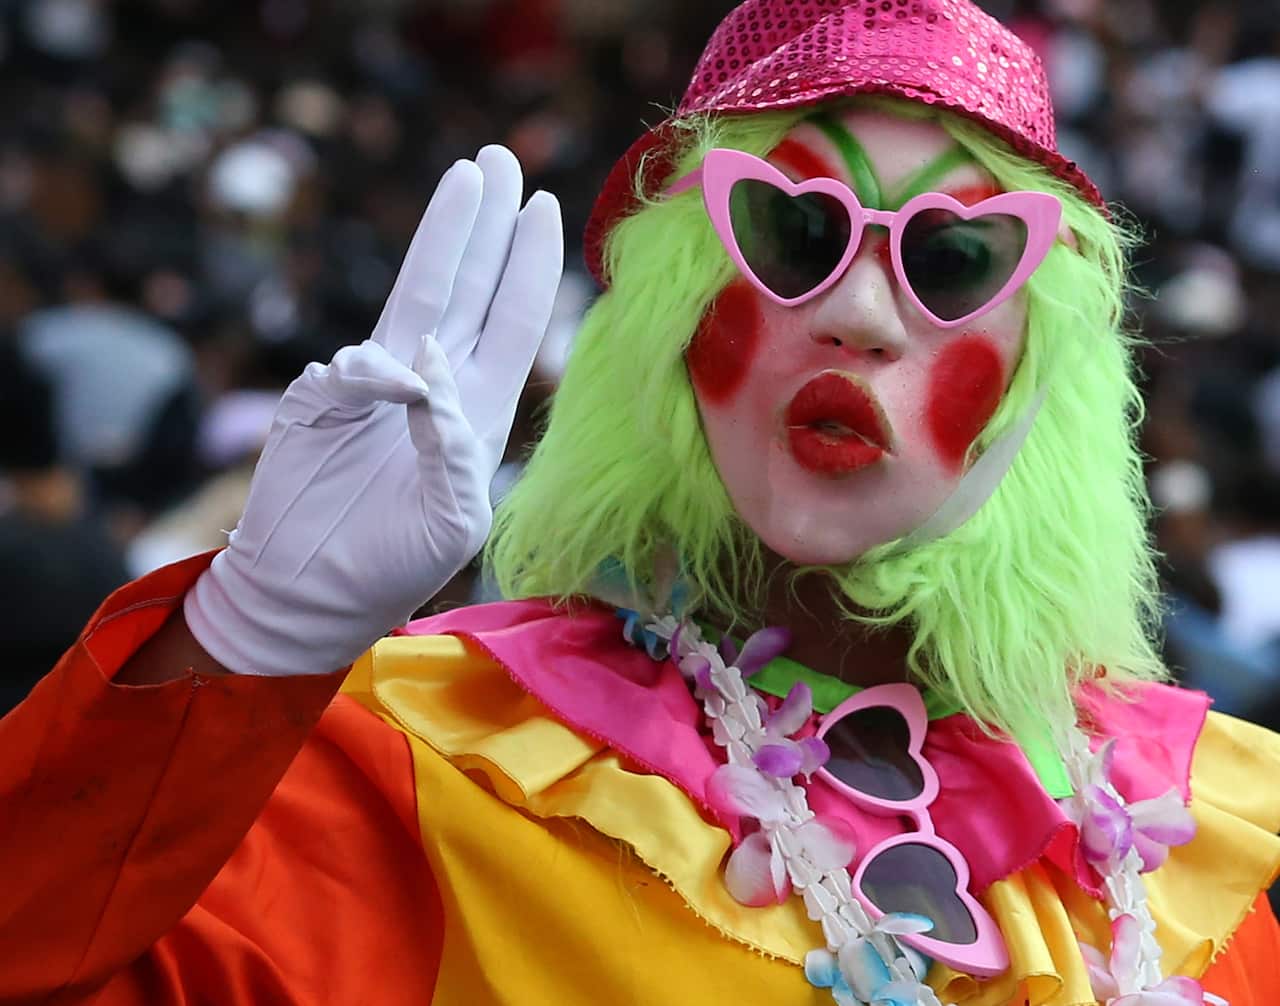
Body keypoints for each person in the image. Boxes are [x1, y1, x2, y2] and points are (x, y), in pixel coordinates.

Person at [3, 2, 1280, 1004]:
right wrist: (234, 643)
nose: (854, 313)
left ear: (1043, 369)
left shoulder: (1190, 840)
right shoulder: (423, 773)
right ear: (667, 321)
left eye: (950, 260)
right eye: (791, 236)